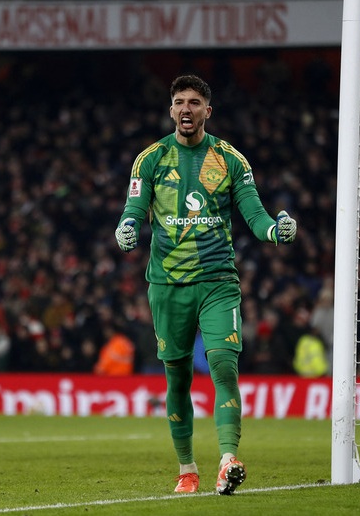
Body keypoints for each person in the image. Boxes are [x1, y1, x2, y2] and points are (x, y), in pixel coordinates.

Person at [114, 75, 297, 495]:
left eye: (194, 102)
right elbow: (134, 207)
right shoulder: (151, 159)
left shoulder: (231, 160)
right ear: (170, 109)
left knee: (222, 364)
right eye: (179, 101)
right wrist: (125, 228)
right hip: (167, 285)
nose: (186, 109)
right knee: (177, 379)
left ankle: (228, 458)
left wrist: (276, 232)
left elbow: (255, 215)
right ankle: (187, 469)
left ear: (207, 111)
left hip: (217, 281)